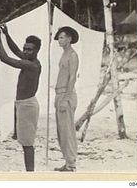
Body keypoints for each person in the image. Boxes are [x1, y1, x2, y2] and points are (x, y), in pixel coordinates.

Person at [0, 24, 41, 172]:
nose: (26, 52)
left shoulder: (32, 65)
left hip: (27, 105)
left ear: (37, 51)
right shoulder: (29, 59)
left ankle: (30, 175)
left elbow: (4, 58)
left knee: (27, 145)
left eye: (29, 49)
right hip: (22, 104)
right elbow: (15, 50)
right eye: (25, 48)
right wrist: (6, 35)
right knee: (22, 140)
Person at [53, 26, 79, 172]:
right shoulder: (64, 54)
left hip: (66, 95)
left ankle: (71, 163)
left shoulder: (72, 55)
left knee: (67, 130)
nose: (59, 40)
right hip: (59, 93)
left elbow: (72, 77)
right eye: (59, 37)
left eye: (62, 37)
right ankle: (67, 162)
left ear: (69, 39)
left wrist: (65, 99)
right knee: (61, 131)